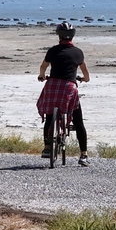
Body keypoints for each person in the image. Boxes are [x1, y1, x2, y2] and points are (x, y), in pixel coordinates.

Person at [36, 21, 91, 165]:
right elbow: (85, 72)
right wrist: (85, 79)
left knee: (49, 116)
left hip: (53, 85)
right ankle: (83, 155)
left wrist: (42, 75)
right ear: (72, 36)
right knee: (78, 120)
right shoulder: (78, 52)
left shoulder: (53, 51)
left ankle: (47, 147)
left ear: (58, 36)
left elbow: (43, 66)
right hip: (68, 88)